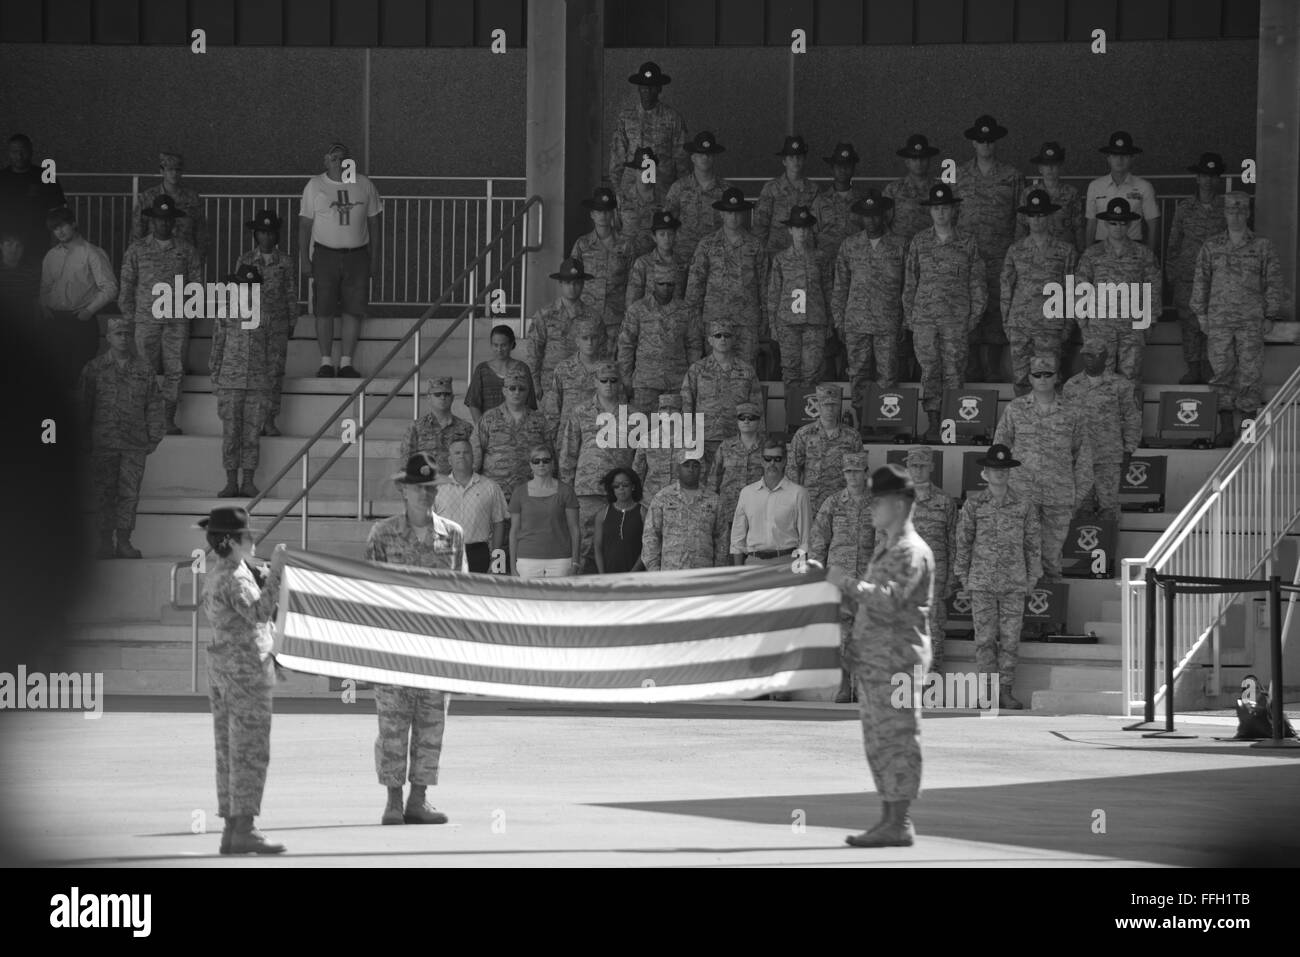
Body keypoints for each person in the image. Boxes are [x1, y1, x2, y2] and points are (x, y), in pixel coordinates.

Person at [821, 464, 934, 848]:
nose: (871, 508)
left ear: (899, 504)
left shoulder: (910, 551)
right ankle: (889, 819)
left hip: (897, 661)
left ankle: (899, 822)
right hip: (878, 660)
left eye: (877, 501)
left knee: (898, 739)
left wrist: (846, 584)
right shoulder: (888, 547)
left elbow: (890, 601)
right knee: (878, 741)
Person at [365, 453, 465, 825]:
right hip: (394, 647)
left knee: (430, 725)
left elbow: (462, 590)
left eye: (431, 488)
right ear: (402, 490)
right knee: (392, 725)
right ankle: (393, 801)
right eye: (418, 488)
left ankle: (418, 799)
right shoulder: (383, 534)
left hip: (435, 647)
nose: (425, 494)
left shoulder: (452, 534)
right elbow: (367, 591)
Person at [197, 506, 288, 854]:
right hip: (244, 671)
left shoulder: (223, 571)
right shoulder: (234, 576)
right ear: (233, 542)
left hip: (225, 667)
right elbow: (260, 612)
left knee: (229, 750)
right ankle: (245, 827)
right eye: (247, 536)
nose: (253, 540)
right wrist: (277, 570)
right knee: (249, 750)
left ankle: (232, 828)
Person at [1191, 190, 1287, 446]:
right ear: (1224, 213)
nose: (1235, 215)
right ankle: (1225, 430)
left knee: (1250, 373)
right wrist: (1200, 314)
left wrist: (1270, 313)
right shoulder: (1211, 246)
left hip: (1250, 321)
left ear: (1247, 213)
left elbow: (1273, 281)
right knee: (1221, 373)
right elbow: (1201, 280)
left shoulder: (1262, 246)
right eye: (1231, 210)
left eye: (1240, 210)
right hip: (1219, 321)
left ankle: (1247, 428)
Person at [954, 445, 1042, 710]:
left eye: (1003, 470)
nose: (999, 474)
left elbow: (1032, 543)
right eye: (994, 470)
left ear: (1009, 473)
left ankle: (1005, 691)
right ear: (985, 473)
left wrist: (1032, 577)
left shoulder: (1023, 505)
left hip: (1014, 582)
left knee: (1010, 640)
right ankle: (987, 692)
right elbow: (963, 542)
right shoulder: (974, 504)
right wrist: (962, 576)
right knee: (984, 640)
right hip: (981, 582)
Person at [992, 353, 1093, 583]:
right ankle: (1022, 617)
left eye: (1048, 374)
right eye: (1037, 375)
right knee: (1022, 557)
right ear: (1030, 378)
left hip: (1058, 498)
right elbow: (999, 451)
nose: (1043, 379)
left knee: (1051, 559)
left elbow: (1084, 457)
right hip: (1022, 496)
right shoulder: (1015, 409)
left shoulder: (1072, 412)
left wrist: (1076, 497)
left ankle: (1049, 616)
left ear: (1057, 377)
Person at [903, 184, 987, 442]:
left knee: (954, 371)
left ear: (953, 210)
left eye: (945, 208)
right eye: (936, 209)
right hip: (925, 321)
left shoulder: (967, 242)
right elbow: (910, 281)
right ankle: (933, 421)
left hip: (955, 321)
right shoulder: (919, 242)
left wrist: (973, 317)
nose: (940, 213)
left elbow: (977, 282)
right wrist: (911, 317)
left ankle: (952, 423)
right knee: (929, 371)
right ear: (930, 212)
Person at [79, 316, 165, 559]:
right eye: (118, 334)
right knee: (104, 493)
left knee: (129, 495)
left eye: (127, 334)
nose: (123, 338)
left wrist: (154, 437)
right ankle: (105, 541)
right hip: (103, 443)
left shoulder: (144, 370)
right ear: (108, 337)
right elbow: (84, 407)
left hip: (134, 443)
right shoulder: (94, 369)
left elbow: (155, 405)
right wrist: (83, 438)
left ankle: (124, 541)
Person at [298, 142, 383, 378]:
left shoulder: (364, 184)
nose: (339, 163)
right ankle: (326, 361)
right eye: (334, 158)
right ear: (325, 161)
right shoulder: (315, 186)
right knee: (323, 308)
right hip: (325, 255)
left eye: (344, 158)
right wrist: (305, 258)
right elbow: (305, 225)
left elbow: (375, 224)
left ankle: (346, 362)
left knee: (353, 309)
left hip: (357, 255)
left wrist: (375, 258)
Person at [118, 194, 201, 434]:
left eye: (167, 220)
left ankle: (167, 418)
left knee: (175, 370)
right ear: (151, 222)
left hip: (176, 321)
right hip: (146, 320)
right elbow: (127, 284)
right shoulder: (137, 249)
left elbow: (196, 285)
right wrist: (131, 317)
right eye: (159, 220)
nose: (163, 224)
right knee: (146, 370)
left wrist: (190, 314)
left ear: (174, 222)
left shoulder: (186, 250)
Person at [955, 114, 1023, 383]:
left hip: (999, 255)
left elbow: (1021, 215)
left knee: (995, 308)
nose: (985, 144)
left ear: (996, 142)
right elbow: (950, 214)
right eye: (981, 140)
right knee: (968, 307)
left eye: (990, 140)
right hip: (968, 256)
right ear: (973, 142)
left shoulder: (1012, 176)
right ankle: (972, 367)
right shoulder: (958, 175)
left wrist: (1014, 252)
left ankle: (993, 368)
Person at [1075, 197, 1162, 405]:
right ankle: (1100, 433)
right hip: (1100, 328)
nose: (1118, 227)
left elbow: (1153, 288)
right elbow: (1081, 288)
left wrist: (1150, 321)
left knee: (1130, 380)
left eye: (1123, 223)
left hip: (1131, 328)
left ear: (1130, 224)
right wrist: (1082, 322)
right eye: (1113, 223)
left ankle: (1130, 433)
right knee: (1098, 380)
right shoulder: (1092, 254)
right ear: (1105, 224)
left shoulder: (1143, 254)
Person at [810, 452, 874, 703]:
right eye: (849, 471)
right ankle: (844, 685)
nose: (853, 476)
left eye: (857, 471)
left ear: (866, 472)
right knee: (841, 635)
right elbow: (818, 540)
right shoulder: (833, 503)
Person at [1001, 189, 1079, 394]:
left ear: (1049, 216)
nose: (1037, 220)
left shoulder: (1065, 250)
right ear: (1026, 218)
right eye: (1033, 215)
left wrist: (1068, 324)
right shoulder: (1015, 250)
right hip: (1020, 325)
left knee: (1050, 379)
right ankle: (1023, 425)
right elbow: (1007, 287)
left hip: (1050, 326)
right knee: (1021, 380)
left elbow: (1071, 288)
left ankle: (1050, 425)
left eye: (1041, 215)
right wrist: (1007, 322)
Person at [833, 189, 906, 408]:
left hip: (888, 322)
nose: (871, 220)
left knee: (888, 376)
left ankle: (885, 420)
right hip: (856, 323)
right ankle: (861, 421)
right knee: (858, 373)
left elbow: (909, 286)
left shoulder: (901, 245)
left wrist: (906, 319)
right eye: (867, 215)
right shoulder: (850, 245)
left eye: (876, 214)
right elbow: (840, 286)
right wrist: (839, 320)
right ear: (860, 217)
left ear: (884, 215)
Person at [559, 362, 635, 571]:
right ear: (595, 382)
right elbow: (569, 452)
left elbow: (640, 456)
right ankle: (583, 595)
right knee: (584, 545)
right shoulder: (581, 412)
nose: (609, 385)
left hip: (621, 492)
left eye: (613, 380)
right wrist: (566, 491)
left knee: (619, 543)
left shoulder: (634, 415)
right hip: (588, 490)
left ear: (620, 383)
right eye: (604, 381)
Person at [211, 263, 274, 498]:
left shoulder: (265, 316)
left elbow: (272, 351)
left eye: (251, 287)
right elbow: (217, 347)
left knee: (251, 434)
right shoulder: (225, 314)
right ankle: (230, 482)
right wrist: (215, 376)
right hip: (229, 382)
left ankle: (248, 481)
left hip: (257, 383)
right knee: (231, 433)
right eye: (242, 287)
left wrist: (268, 381)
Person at [39, 207, 117, 395]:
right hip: (54, 322)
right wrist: (44, 307)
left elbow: (111, 287)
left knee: (81, 379)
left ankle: (82, 422)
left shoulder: (92, 253)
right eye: (55, 228)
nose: (60, 231)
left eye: (63, 225)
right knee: (55, 377)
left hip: (80, 322)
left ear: (73, 223)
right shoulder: (51, 255)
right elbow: (44, 286)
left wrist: (89, 311)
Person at [685, 186, 765, 367]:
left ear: (744, 214)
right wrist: (693, 320)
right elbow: (695, 284)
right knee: (714, 372)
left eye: (737, 212)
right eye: (729, 213)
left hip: (746, 322)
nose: (734, 217)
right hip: (715, 321)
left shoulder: (755, 245)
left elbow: (764, 284)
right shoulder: (707, 244)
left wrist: (765, 318)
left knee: (745, 371)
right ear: (721, 214)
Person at [1062, 343, 1141, 522]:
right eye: (1086, 355)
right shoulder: (1072, 385)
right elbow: (1064, 421)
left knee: (1108, 508)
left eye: (1094, 355)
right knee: (1081, 509)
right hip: (1079, 458)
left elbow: (1132, 418)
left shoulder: (1120, 385)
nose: (1089, 360)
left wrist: (1129, 448)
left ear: (1105, 357)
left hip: (1109, 456)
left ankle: (1108, 546)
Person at [680, 317, 765, 479]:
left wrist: (759, 438)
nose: (723, 339)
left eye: (727, 335)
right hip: (704, 439)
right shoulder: (697, 370)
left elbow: (757, 406)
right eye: (718, 335)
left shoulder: (746, 371)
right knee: (704, 483)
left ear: (734, 339)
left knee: (733, 484)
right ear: (710, 340)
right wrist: (688, 437)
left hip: (737, 440)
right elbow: (686, 403)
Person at [236, 210, 297, 436]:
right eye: (262, 232)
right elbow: (239, 293)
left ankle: (269, 420)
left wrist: (292, 319)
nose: (267, 237)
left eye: (271, 233)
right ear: (256, 234)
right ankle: (253, 419)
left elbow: (290, 292)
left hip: (278, 325)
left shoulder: (286, 261)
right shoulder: (245, 260)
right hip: (252, 325)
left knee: (274, 374)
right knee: (252, 373)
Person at [619, 260, 702, 414]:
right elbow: (626, 345)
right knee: (643, 433)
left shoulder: (686, 311)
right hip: (645, 384)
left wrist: (692, 379)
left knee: (674, 434)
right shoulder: (637, 310)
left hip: (676, 383)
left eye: (669, 284)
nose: (665, 288)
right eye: (661, 284)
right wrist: (625, 378)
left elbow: (694, 345)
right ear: (653, 283)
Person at [904, 447, 956, 678]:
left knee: (933, 631)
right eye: (914, 465)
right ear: (907, 468)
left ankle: (930, 682)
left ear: (931, 467)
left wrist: (952, 578)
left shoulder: (945, 501)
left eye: (923, 465)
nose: (918, 470)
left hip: (936, 577)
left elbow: (954, 541)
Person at [767, 205, 832, 387]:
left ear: (810, 230)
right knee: (790, 371)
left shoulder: (820, 257)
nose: (801, 233)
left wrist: (830, 321)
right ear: (790, 230)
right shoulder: (780, 259)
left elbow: (828, 290)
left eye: (805, 228)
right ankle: (793, 414)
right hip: (787, 323)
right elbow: (774, 293)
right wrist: (773, 325)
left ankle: (809, 415)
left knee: (812, 372)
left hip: (815, 322)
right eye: (797, 228)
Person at [608, 61, 689, 195]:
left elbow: (682, 160)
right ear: (639, 88)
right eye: (644, 86)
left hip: (663, 188)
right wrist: (618, 191)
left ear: (659, 88)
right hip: (631, 190)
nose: (647, 90)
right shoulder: (626, 117)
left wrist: (680, 193)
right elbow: (617, 156)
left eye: (652, 87)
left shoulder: (673, 117)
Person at [730, 439, 811, 566]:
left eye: (777, 459)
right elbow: (737, 538)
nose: (772, 463)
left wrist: (800, 572)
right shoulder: (747, 493)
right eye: (768, 458)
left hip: (787, 562)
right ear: (762, 461)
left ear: (784, 461)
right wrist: (738, 573)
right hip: (754, 562)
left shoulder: (799, 493)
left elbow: (805, 539)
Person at [474, 369, 550, 504]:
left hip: (532, 494)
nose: (516, 392)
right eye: (512, 388)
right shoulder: (489, 418)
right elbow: (476, 455)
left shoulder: (539, 420)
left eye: (521, 389)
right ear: (504, 391)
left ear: (527, 392)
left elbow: (550, 455)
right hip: (495, 494)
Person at [642, 452, 728, 571]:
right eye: (686, 465)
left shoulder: (713, 500)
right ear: (678, 469)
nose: (691, 469)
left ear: (701, 469)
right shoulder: (663, 498)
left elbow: (722, 538)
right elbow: (651, 536)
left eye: (695, 466)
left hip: (704, 574)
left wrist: (719, 570)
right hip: (671, 574)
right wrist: (654, 570)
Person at [787, 384, 863, 514]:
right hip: (811, 502)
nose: (830, 409)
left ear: (839, 406)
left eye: (833, 405)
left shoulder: (852, 436)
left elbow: (861, 470)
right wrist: (793, 500)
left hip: (842, 502)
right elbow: (793, 468)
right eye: (825, 405)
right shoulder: (804, 434)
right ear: (817, 406)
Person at [572, 186, 634, 344]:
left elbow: (633, 282)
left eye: (607, 211)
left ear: (612, 213)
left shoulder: (625, 245)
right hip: (587, 316)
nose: (603, 216)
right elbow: (573, 280)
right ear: (592, 214)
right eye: (599, 211)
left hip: (616, 317)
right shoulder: (582, 244)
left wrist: (629, 314)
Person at [435, 438, 507, 573]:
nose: (462, 455)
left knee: (479, 593)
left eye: (466, 452)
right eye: (457, 453)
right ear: (449, 460)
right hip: (446, 553)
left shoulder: (490, 487)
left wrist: (496, 558)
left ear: (473, 457)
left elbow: (499, 523)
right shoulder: (437, 489)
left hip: (479, 554)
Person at [509, 443, 581, 577]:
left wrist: (575, 562)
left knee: (559, 599)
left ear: (552, 463)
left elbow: (575, 529)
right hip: (527, 560)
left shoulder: (566, 491)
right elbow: (514, 531)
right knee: (528, 599)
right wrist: (512, 566)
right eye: (536, 461)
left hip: (561, 560)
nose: (541, 464)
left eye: (545, 460)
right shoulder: (519, 493)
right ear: (531, 465)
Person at [754, 135, 822, 274]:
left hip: (805, 257)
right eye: (791, 158)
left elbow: (817, 227)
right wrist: (761, 256)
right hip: (775, 256)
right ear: (784, 161)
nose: (795, 161)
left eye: (799, 157)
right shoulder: (771, 188)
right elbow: (760, 226)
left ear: (804, 160)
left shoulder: (813, 189)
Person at [527, 257, 594, 394]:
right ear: (560, 284)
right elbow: (534, 352)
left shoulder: (593, 317)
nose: (572, 287)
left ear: (582, 284)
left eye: (576, 283)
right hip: (551, 386)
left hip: (583, 386)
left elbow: (601, 353)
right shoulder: (544, 315)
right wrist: (534, 384)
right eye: (568, 283)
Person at [1085, 132, 1160, 252]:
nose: (1119, 160)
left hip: (1133, 248)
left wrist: (1149, 255)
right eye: (1115, 155)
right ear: (1108, 158)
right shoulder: (1095, 186)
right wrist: (1087, 255)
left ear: (1132, 158)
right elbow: (1091, 224)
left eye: (1124, 155)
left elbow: (1153, 224)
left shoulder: (1144, 187)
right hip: (1101, 248)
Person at [664, 130, 729, 264]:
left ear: (714, 157)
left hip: (715, 258)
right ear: (693, 158)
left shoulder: (726, 190)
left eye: (709, 154)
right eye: (701, 154)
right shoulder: (679, 188)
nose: (705, 158)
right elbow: (667, 223)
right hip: (683, 257)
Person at [0, 133, 66, 265]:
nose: (19, 156)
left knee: (37, 281)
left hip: (38, 242)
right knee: (8, 283)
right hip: (6, 243)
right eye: (14, 151)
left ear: (31, 151)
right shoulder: (2, 178)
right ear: (9, 153)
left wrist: (56, 244)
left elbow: (57, 212)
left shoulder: (45, 176)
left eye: (23, 151)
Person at [132, 150, 206, 267]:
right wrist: (136, 261)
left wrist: (199, 259)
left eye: (177, 170)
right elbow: (137, 231)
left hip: (185, 259)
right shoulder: (148, 197)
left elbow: (201, 232)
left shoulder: (192, 198)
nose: (174, 174)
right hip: (154, 260)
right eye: (170, 170)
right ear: (162, 171)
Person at [543, 317, 606, 448]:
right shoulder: (563, 369)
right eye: (585, 338)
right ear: (577, 341)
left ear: (600, 340)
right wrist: (550, 440)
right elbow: (553, 408)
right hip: (567, 437)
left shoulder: (609, 369)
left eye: (593, 338)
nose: (590, 342)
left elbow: (618, 406)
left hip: (599, 437)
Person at [1015, 142, 1085, 252]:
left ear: (1060, 166)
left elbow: (1078, 228)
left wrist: (1081, 254)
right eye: (1046, 164)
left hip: (1065, 254)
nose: (1050, 168)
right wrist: (1018, 253)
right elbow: (1021, 227)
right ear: (1040, 168)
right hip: (1035, 254)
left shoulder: (1072, 193)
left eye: (1054, 164)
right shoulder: (1028, 193)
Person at [398, 376, 474, 469]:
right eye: (437, 394)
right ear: (429, 398)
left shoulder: (466, 428)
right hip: (425, 481)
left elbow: (473, 460)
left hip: (454, 482)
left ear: (452, 398)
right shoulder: (416, 427)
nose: (443, 397)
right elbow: (406, 463)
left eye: (447, 394)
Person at [466, 323, 537, 422]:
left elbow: (530, 403)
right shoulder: (482, 369)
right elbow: (473, 403)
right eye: (495, 345)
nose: (499, 349)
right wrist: (481, 429)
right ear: (491, 345)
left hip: (518, 429)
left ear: (511, 344)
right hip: (488, 428)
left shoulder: (522, 369)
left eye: (503, 345)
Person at [712, 401, 766, 527]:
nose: (746, 421)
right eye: (742, 418)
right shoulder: (725, 446)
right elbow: (714, 478)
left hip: (759, 508)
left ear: (758, 421)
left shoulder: (767, 447)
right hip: (729, 509)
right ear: (737, 421)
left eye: (751, 418)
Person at [883, 133, 941, 246]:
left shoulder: (940, 189)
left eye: (922, 158)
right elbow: (882, 224)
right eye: (914, 159)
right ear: (907, 162)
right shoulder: (893, 190)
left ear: (929, 160)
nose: (919, 163)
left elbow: (950, 222)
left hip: (930, 254)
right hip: (901, 253)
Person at [811, 142, 864, 264]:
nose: (843, 169)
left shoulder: (862, 201)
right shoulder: (820, 201)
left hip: (855, 264)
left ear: (853, 169)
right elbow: (811, 236)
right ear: (832, 168)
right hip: (826, 264)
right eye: (839, 165)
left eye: (847, 165)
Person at [625, 209, 688, 308]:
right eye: (662, 234)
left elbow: (686, 298)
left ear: (675, 235)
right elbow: (632, 301)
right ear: (654, 237)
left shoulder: (683, 264)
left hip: (675, 320)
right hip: (649, 321)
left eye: (670, 234)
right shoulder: (642, 263)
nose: (666, 239)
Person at [633, 392, 688, 503]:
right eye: (664, 408)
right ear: (658, 413)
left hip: (681, 502)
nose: (668, 412)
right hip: (650, 500)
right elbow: (637, 471)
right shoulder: (647, 439)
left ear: (681, 412)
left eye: (673, 408)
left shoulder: (690, 440)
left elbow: (700, 474)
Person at [594, 466, 648, 574]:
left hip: (637, 577)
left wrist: (632, 573)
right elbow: (597, 547)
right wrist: (602, 575)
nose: (621, 488)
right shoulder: (602, 514)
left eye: (625, 485)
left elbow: (648, 547)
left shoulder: (643, 512)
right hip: (609, 577)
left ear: (633, 487)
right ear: (612, 489)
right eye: (616, 486)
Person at [617, 147, 668, 258]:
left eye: (649, 169)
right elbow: (614, 228)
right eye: (641, 169)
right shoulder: (622, 196)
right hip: (625, 258)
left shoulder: (664, 197)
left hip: (654, 261)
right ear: (635, 171)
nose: (646, 173)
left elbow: (669, 232)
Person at [0, 225, 40, 354]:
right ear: (1, 246)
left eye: (18, 246)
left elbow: (36, 301)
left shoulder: (31, 272)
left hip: (24, 329)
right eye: (9, 244)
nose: (14, 249)